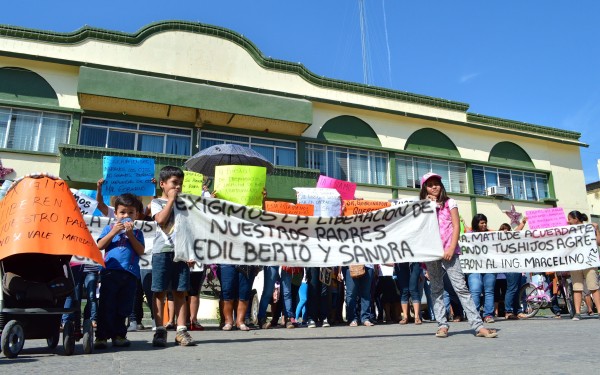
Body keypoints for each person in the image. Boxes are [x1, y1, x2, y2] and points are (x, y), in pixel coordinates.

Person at [420, 172, 497, 338]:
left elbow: (456, 226)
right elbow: (421, 229)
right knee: (436, 290)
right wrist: (427, 207)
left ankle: (478, 326)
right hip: (431, 253)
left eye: (437, 183)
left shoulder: (450, 203)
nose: (434, 186)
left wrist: (451, 248)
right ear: (424, 188)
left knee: (461, 288)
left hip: (450, 253)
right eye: (430, 184)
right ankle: (442, 325)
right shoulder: (422, 206)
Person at [151, 166, 195, 346]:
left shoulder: (185, 205)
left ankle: (181, 330)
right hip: (162, 252)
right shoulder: (156, 203)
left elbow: (190, 229)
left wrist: (191, 253)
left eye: (180, 184)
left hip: (182, 253)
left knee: (180, 291)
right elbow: (161, 220)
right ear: (163, 184)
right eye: (174, 183)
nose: (178, 187)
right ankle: (160, 330)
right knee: (159, 291)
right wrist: (170, 200)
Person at [94, 193, 145, 349]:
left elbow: (140, 251)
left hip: (129, 274)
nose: (126, 216)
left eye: (131, 213)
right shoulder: (109, 228)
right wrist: (113, 232)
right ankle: (101, 336)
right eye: (122, 212)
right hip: (111, 272)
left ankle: (119, 335)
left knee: (124, 306)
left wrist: (130, 235)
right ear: (115, 213)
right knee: (106, 304)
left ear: (137, 215)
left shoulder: (137, 233)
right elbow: (99, 246)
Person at [566, 210, 600, 321]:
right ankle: (577, 313)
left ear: (576, 219)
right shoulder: (568, 231)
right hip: (575, 262)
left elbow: (598, 242)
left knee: (594, 287)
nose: (568, 221)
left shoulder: (589, 228)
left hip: (589, 262)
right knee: (577, 288)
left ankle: (599, 311)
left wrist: (597, 230)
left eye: (570, 219)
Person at [467, 214, 497, 323]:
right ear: (476, 223)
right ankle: (475, 315)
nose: (484, 225)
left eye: (485, 222)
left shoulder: (491, 235)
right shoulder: (469, 235)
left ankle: (488, 315)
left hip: (489, 266)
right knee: (475, 290)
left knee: (489, 291)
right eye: (481, 223)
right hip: (474, 267)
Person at [498, 220, 528, 320]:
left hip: (518, 266)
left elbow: (517, 231)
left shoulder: (513, 238)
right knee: (512, 288)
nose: (506, 232)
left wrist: (523, 223)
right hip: (510, 266)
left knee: (517, 289)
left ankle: (518, 311)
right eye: (503, 230)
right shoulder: (498, 240)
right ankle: (509, 311)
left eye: (508, 230)